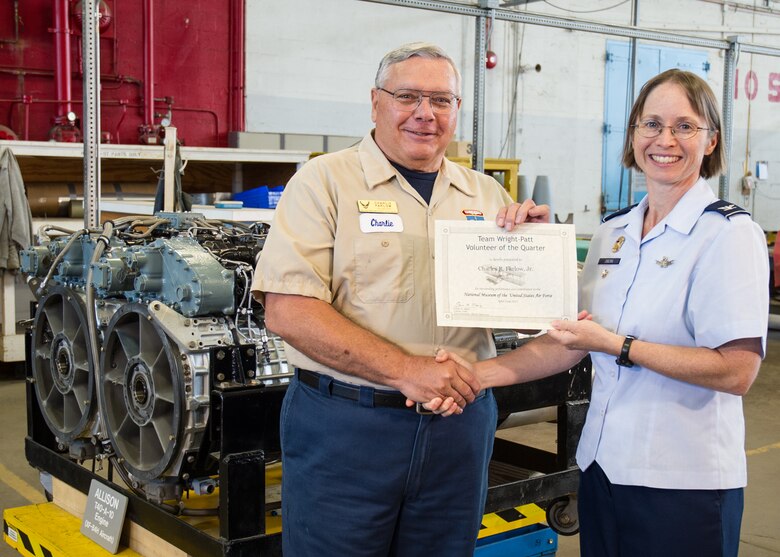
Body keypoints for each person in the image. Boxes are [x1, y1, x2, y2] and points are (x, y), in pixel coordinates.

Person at [431, 69, 768, 557]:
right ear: (632, 137)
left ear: (711, 140)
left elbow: (737, 372)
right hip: (602, 469)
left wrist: (619, 346)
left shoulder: (728, 236)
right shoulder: (613, 233)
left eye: (684, 126)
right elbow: (567, 341)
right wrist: (475, 372)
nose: (664, 139)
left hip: (682, 481)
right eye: (650, 124)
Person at [250, 42, 548, 556]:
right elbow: (288, 310)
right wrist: (404, 370)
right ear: (375, 102)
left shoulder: (489, 198)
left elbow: (527, 320)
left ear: (457, 111)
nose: (424, 114)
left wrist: (537, 257)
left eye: (441, 100)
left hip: (459, 428)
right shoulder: (323, 184)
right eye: (407, 96)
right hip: (347, 427)